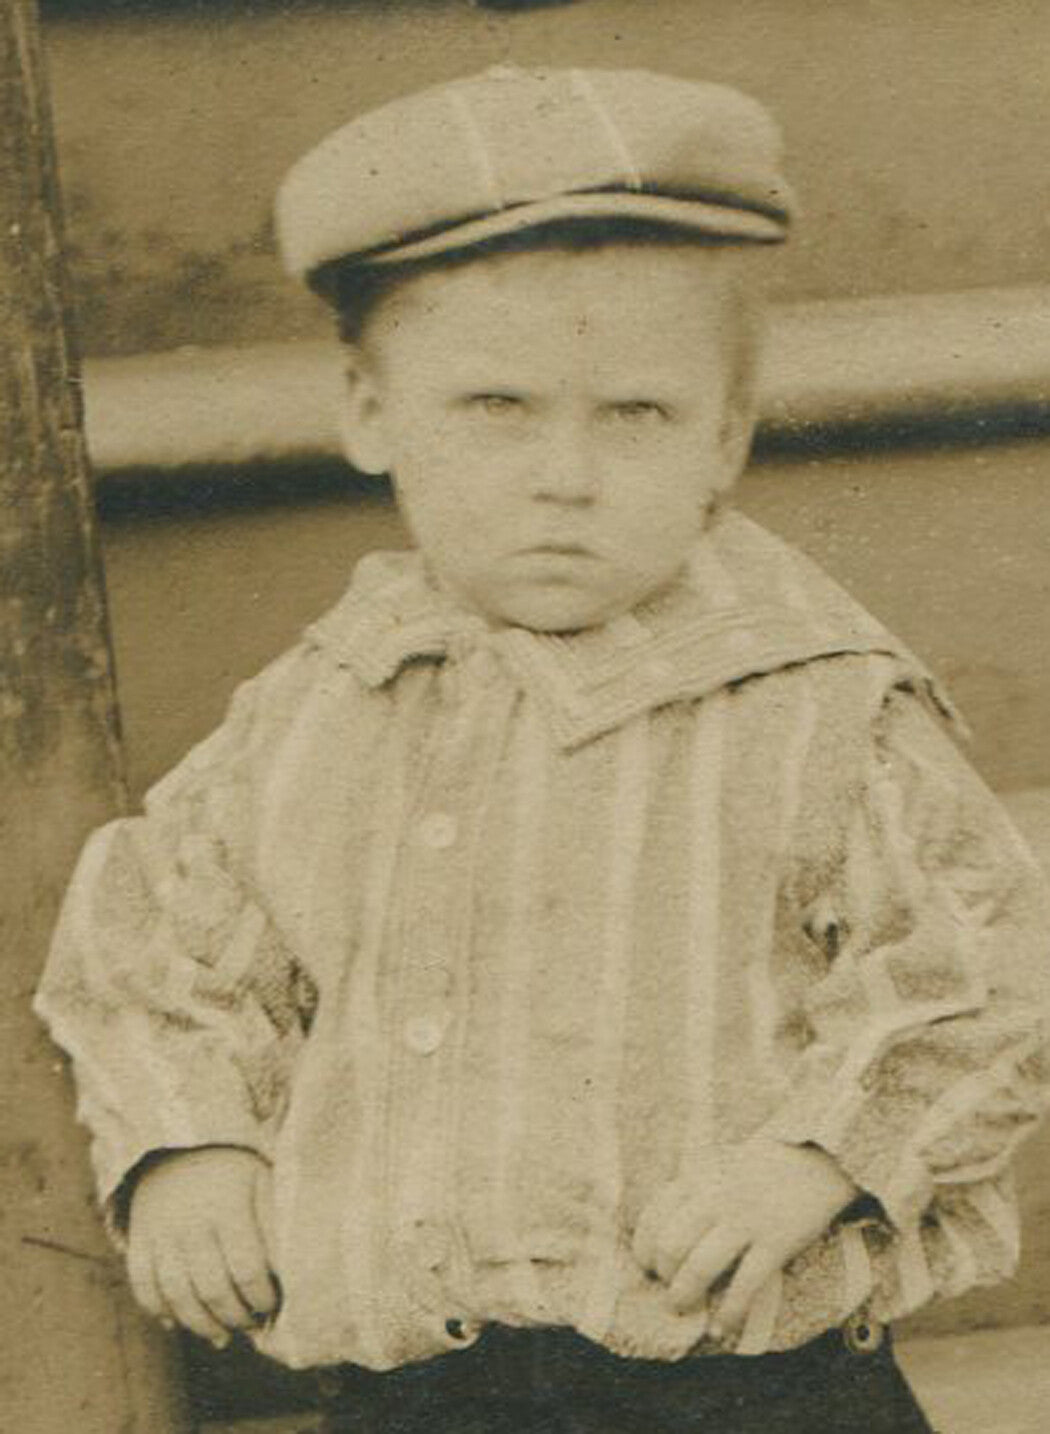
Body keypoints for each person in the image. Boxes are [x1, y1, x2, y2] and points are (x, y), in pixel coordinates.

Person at [36, 66, 1050, 1433]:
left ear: (724, 439)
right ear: (369, 414)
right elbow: (160, 936)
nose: (561, 474)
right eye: (493, 409)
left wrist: (816, 1159)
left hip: (740, 1383)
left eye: (633, 414)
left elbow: (981, 971)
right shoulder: (322, 700)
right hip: (423, 1385)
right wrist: (190, 1139)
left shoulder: (816, 703)